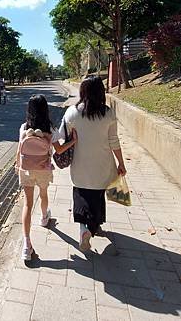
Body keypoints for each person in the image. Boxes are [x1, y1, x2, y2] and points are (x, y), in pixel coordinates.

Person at [59, 76, 127, 252]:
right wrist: (121, 163)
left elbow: (61, 136)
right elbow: (114, 141)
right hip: (103, 165)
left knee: (81, 195)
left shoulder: (72, 113)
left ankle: (84, 229)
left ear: (83, 91)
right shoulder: (109, 113)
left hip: (80, 166)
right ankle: (94, 225)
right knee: (97, 196)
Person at [16, 94, 77, 261]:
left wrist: (17, 165)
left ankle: (27, 246)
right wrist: (73, 141)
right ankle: (44, 218)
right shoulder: (50, 129)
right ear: (45, 109)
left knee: (27, 204)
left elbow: (19, 150)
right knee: (43, 195)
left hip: (26, 169)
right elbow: (59, 150)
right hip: (44, 169)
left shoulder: (23, 127)